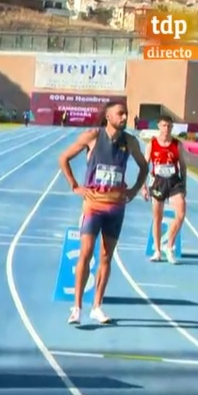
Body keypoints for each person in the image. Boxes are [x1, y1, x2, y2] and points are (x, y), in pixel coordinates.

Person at [58, 101, 148, 325]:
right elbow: (64, 158)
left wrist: (135, 189)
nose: (125, 117)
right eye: (120, 113)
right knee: (86, 253)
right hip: (93, 206)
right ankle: (77, 307)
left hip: (116, 207)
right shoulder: (93, 137)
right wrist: (75, 185)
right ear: (108, 116)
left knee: (106, 257)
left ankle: (97, 306)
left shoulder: (130, 141)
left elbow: (144, 167)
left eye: (126, 113)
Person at [141, 115, 186, 263]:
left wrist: (184, 184)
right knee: (157, 218)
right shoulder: (152, 144)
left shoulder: (177, 145)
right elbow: (144, 166)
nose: (167, 129)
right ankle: (158, 251)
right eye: (164, 126)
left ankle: (170, 246)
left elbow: (183, 166)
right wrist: (143, 187)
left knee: (181, 213)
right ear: (159, 126)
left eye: (169, 126)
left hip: (174, 182)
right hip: (158, 182)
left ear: (172, 128)